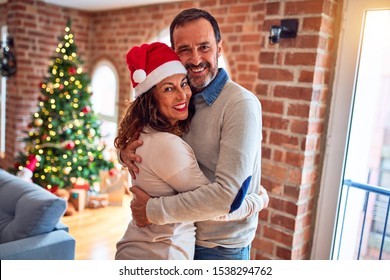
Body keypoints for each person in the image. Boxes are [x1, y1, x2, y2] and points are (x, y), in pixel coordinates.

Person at [119, 8, 266, 260]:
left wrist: (153, 210)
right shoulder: (181, 101)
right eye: (185, 49)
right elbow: (151, 144)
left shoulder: (240, 105)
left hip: (217, 248)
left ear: (219, 48)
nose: (196, 59)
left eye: (204, 47)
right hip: (176, 239)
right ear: (174, 53)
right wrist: (125, 154)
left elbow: (227, 197)